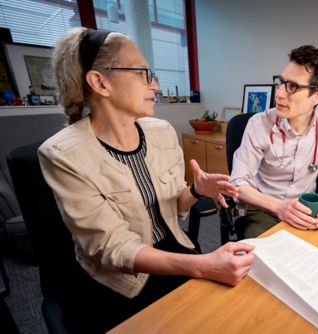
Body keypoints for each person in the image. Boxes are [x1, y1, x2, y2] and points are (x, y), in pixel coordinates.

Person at [38, 27, 255, 333]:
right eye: (142, 73)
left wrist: (195, 189)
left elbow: (175, 206)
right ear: (100, 82)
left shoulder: (161, 131)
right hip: (118, 277)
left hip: (172, 246)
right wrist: (203, 265)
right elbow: (112, 247)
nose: (155, 83)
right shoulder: (62, 154)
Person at [230, 44, 318, 238]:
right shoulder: (259, 124)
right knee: (261, 262)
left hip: (306, 209)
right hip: (264, 209)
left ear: (317, 96)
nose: (279, 94)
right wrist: (279, 207)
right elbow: (238, 183)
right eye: (281, 82)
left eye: (292, 87)